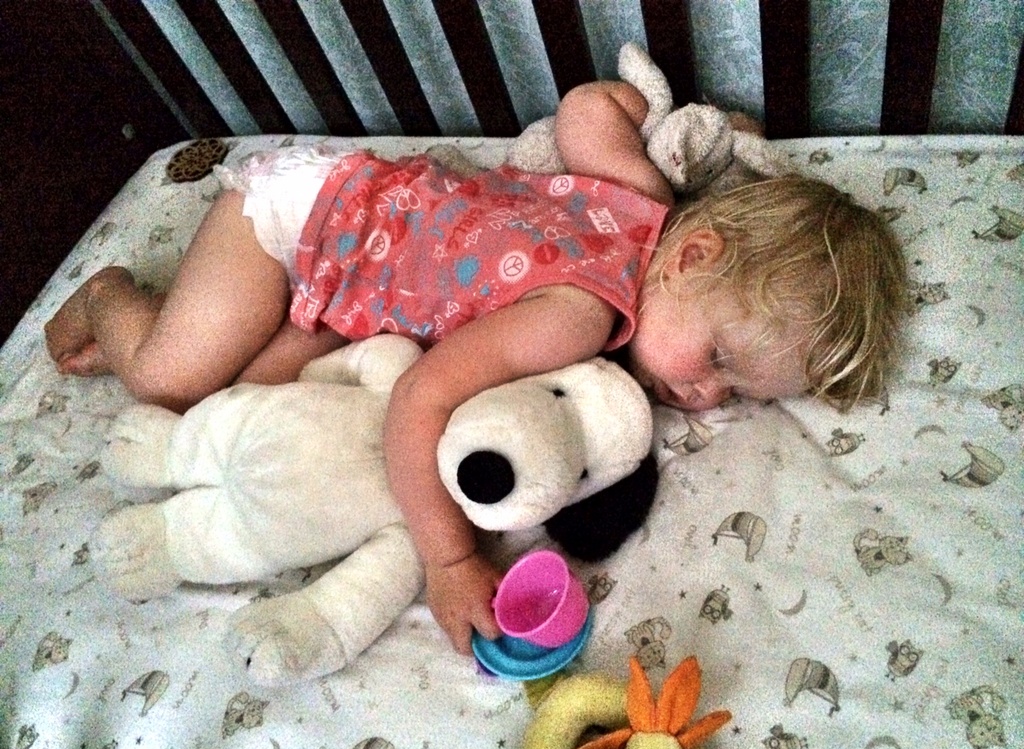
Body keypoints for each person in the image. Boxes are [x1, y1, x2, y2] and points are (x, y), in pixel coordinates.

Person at [43, 81, 907, 656]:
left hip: (356, 263)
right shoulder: (578, 317)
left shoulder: (645, 201)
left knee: (244, 402)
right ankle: (111, 296)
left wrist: (642, 107)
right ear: (694, 255)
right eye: (718, 358)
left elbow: (583, 112)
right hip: (298, 220)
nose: (705, 394)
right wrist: (451, 560)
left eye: (738, 391)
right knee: (170, 383)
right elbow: (422, 398)